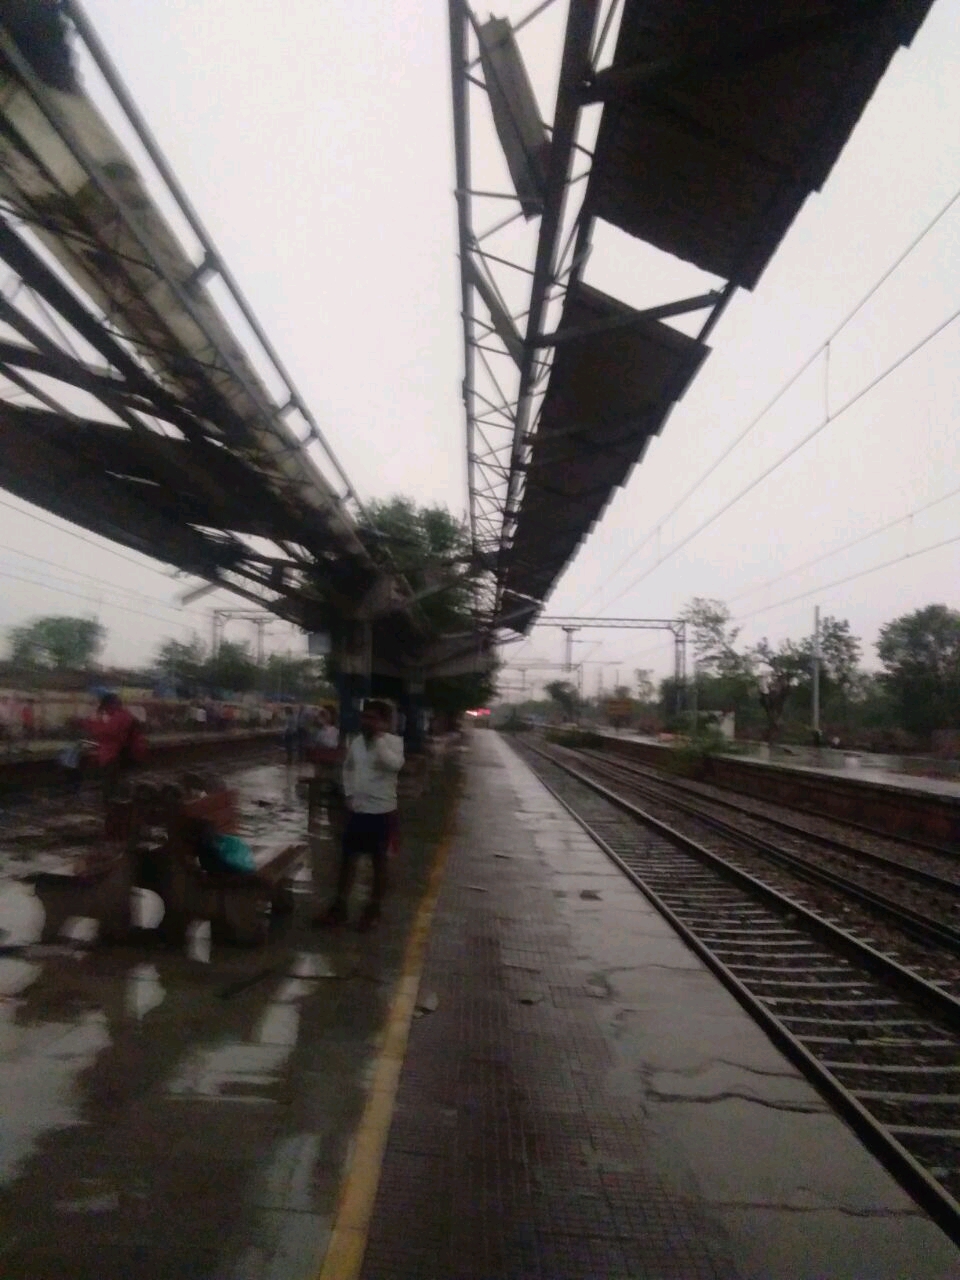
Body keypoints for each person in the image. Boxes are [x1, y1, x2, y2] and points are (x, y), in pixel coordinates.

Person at [315, 700, 403, 931]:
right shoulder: (356, 743)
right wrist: (349, 793)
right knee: (347, 859)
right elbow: (348, 768)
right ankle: (339, 908)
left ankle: (373, 911)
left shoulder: (393, 743)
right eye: (365, 717)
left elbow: (395, 766)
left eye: (373, 718)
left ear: (384, 722)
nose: (367, 722)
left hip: (382, 813)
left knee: (378, 862)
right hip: (358, 811)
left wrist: (379, 741)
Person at [88, 692, 148, 803]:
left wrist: (90, 724)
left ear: (112, 704)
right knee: (115, 780)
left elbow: (107, 733)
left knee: (111, 782)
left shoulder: (120, 716)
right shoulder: (123, 715)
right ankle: (116, 802)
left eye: (106, 708)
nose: (106, 711)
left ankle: (111, 805)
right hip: (122, 752)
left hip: (116, 755)